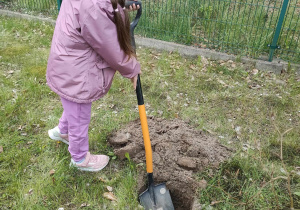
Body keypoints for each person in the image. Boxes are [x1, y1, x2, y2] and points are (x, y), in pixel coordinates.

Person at [46, 0, 141, 172]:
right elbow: (109, 45)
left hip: (68, 62)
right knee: (80, 112)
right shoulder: (92, 6)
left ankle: (63, 131)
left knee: (73, 104)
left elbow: (104, 11)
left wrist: (120, 6)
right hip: (77, 71)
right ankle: (80, 158)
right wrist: (132, 69)